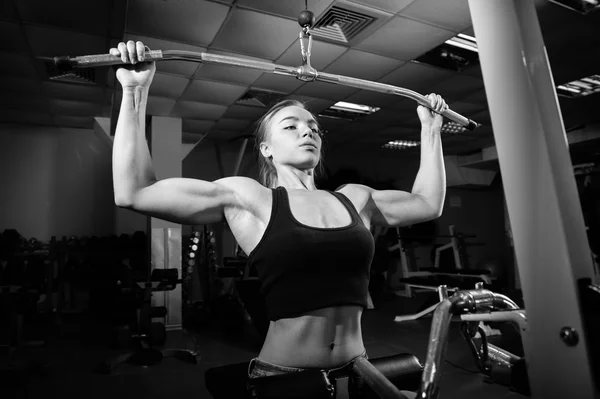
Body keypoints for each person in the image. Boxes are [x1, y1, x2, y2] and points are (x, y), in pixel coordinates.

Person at [110, 40, 447, 390]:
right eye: (291, 126)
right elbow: (134, 192)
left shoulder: (355, 198)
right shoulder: (249, 197)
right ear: (267, 149)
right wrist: (135, 90)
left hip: (357, 371)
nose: (308, 131)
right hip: (285, 379)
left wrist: (431, 129)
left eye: (314, 127)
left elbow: (426, 203)